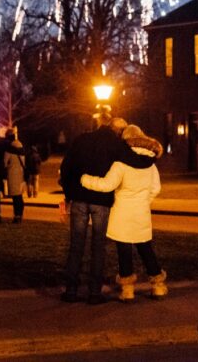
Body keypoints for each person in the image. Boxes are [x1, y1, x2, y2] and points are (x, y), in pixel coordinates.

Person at [58, 111, 156, 305]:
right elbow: (137, 160)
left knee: (76, 245)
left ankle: (71, 290)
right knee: (97, 247)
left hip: (78, 198)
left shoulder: (82, 139)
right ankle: (94, 292)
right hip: (101, 201)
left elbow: (66, 168)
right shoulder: (117, 145)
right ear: (119, 131)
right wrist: (152, 157)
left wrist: (69, 195)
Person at [80, 124, 167, 303]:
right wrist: (144, 201)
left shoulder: (120, 164)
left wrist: (84, 179)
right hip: (141, 213)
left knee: (124, 251)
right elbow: (156, 188)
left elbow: (107, 185)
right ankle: (158, 285)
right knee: (146, 249)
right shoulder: (151, 164)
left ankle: (128, 289)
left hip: (122, 213)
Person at [3, 129, 26, 223]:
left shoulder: (9, 150)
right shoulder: (21, 147)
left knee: (15, 197)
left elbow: (4, 163)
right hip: (21, 174)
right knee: (19, 196)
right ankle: (20, 215)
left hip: (12, 174)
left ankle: (16, 216)